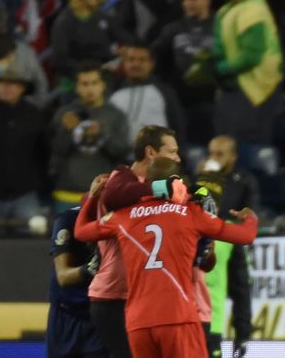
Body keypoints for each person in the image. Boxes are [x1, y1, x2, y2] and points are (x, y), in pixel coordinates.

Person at [74, 159, 259, 358]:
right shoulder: (191, 213)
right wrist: (250, 219)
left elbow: (81, 231)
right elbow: (245, 236)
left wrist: (93, 197)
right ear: (175, 181)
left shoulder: (122, 217)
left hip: (139, 323)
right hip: (178, 317)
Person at [87, 125, 185, 358]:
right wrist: (161, 188)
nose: (178, 158)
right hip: (114, 296)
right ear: (150, 152)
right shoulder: (120, 179)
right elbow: (113, 196)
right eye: (171, 152)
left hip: (144, 297)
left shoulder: (154, 186)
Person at [210, 0, 283, 144]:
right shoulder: (225, 11)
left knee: (245, 147)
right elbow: (219, 46)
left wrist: (220, 69)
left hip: (255, 93)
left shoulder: (254, 11)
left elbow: (252, 56)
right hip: (231, 90)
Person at [198, 135, 256, 357]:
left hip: (230, 240)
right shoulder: (200, 180)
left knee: (239, 286)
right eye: (211, 153)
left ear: (233, 156)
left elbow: (251, 214)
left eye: (220, 154)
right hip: (209, 236)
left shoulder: (244, 181)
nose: (214, 158)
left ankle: (242, 335)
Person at [50, 63, 129, 214]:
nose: (89, 89)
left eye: (94, 83)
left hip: (102, 193)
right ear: (77, 87)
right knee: (64, 238)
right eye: (84, 84)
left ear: (103, 85)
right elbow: (54, 152)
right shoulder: (63, 114)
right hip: (67, 193)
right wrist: (67, 132)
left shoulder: (115, 115)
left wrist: (102, 135)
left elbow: (122, 153)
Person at [152, 0, 216, 144]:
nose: (188, 3)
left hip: (213, 99)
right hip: (182, 101)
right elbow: (154, 57)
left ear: (207, 0)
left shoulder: (220, 26)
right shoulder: (173, 29)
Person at [50, 0, 133, 83]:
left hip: (104, 77)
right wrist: (92, 70)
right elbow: (59, 59)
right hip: (75, 81)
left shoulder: (102, 17)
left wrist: (126, 50)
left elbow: (128, 40)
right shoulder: (65, 22)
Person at [46, 206, 105, 358]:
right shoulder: (68, 219)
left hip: (98, 315)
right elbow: (63, 277)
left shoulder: (121, 218)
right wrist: (90, 269)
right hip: (65, 313)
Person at [0, 66, 47, 237]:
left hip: (25, 193)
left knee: (35, 239)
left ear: (22, 89)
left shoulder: (34, 115)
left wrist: (36, 180)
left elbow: (43, 153)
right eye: (2, 84)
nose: (6, 88)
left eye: (12, 84)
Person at [109, 42, 185, 149]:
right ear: (124, 63)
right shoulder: (115, 95)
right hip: (120, 161)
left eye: (142, 60)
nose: (136, 64)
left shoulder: (165, 93)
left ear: (152, 63)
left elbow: (177, 127)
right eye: (131, 59)